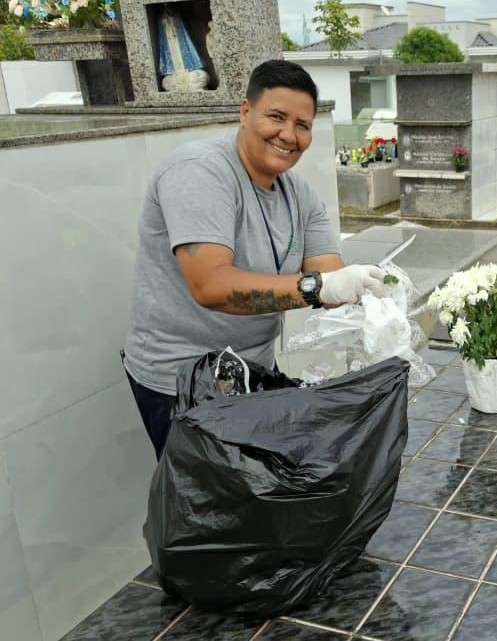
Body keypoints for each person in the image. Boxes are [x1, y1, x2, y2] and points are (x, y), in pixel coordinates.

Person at [123, 60, 386, 458]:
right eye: (276, 117)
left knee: (256, 502)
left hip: (252, 371)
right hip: (180, 380)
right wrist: (320, 288)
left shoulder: (299, 194)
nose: (289, 135)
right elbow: (211, 286)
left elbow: (328, 278)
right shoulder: (200, 172)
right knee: (205, 509)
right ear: (246, 113)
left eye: (303, 124)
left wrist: (367, 296)